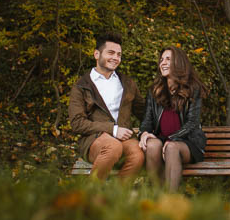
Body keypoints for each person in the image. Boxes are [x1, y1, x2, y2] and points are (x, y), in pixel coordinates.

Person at [68, 32, 145, 179]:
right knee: (112, 147)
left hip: (125, 139)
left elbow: (144, 112)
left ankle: (118, 197)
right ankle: (91, 195)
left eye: (119, 54)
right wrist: (113, 130)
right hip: (94, 140)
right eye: (111, 53)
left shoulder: (127, 83)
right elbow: (77, 123)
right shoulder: (82, 86)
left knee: (138, 154)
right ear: (97, 54)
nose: (116, 58)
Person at [138, 46, 207, 191]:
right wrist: (144, 133)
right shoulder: (155, 90)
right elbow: (147, 121)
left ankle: (170, 202)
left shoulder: (193, 88)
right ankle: (155, 197)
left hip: (188, 142)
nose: (163, 62)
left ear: (179, 62)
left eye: (168, 59)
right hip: (164, 139)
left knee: (171, 147)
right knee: (152, 145)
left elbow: (192, 123)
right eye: (161, 60)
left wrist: (171, 139)